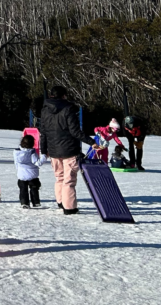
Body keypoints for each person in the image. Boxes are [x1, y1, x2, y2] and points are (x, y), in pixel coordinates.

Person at [39, 86, 101, 215]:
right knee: (69, 180)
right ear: (64, 95)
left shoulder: (45, 110)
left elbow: (43, 133)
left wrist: (44, 150)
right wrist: (92, 142)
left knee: (59, 177)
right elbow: (75, 131)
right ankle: (69, 207)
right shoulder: (68, 109)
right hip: (69, 150)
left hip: (54, 150)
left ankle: (61, 202)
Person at [14, 134, 47, 208]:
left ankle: (24, 202)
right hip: (32, 174)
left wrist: (18, 171)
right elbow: (38, 163)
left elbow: (16, 163)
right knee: (34, 187)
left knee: (23, 189)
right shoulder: (32, 152)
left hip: (21, 174)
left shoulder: (16, 152)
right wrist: (44, 156)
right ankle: (35, 202)